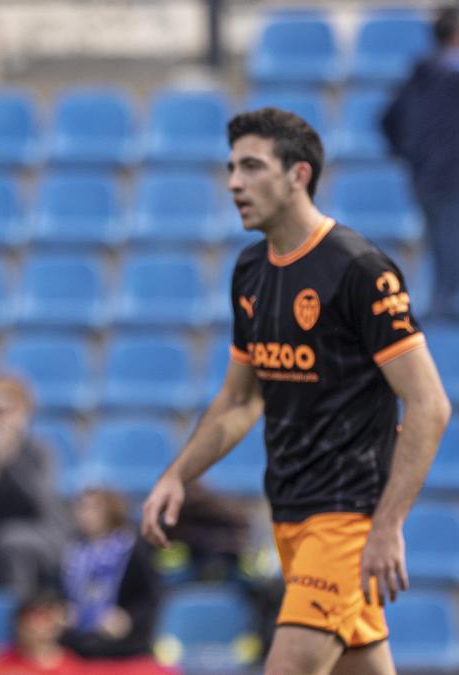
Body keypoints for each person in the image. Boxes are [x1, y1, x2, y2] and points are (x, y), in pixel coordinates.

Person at [140, 108, 451, 675]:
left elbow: (430, 404)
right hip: (290, 514)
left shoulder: (360, 269)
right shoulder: (251, 271)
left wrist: (386, 527)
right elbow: (240, 400)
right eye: (231, 167)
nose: (234, 182)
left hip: (348, 517)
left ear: (298, 175)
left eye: (252, 167)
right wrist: (176, 475)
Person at [382, 6, 459, 322]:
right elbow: (389, 122)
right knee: (447, 261)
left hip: (430, 179)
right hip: (442, 180)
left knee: (445, 254)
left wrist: (415, 159)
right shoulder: (428, 78)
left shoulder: (420, 76)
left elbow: (389, 121)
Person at [0, 375, 65, 598]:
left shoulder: (39, 451)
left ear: (22, 414)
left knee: (11, 541)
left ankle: (18, 613)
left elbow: (39, 504)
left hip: (42, 535)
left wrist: (8, 463)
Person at [61, 487, 158, 660]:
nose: (84, 514)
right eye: (81, 507)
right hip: (79, 635)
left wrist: (128, 618)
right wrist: (63, 611)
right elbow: (59, 594)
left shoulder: (131, 549)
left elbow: (149, 598)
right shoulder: (72, 550)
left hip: (121, 639)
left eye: (93, 508)